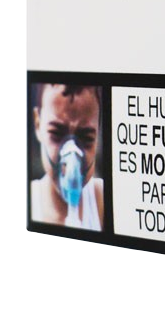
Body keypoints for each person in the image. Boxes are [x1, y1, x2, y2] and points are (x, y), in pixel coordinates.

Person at [30, 83, 104, 230]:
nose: (72, 159)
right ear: (38, 124)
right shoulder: (30, 202)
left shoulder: (102, 201)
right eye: (57, 134)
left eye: (86, 138)